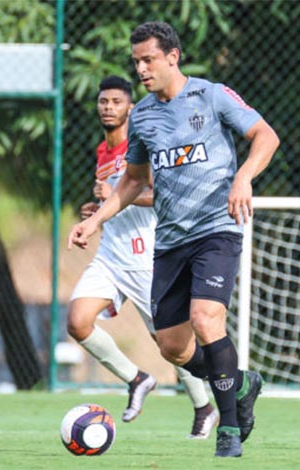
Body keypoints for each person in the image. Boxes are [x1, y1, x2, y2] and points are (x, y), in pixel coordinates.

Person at [68, 22, 280, 458]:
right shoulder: (143, 116)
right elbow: (132, 182)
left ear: (173, 57)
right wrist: (95, 222)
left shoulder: (212, 95)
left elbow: (266, 136)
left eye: (148, 60)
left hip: (216, 230)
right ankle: (241, 383)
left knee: (206, 320)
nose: (141, 69)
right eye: (136, 62)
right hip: (169, 241)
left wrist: (243, 177)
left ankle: (229, 431)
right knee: (174, 349)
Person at [68, 76, 219, 438]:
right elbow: (114, 201)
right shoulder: (103, 152)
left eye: (116, 102)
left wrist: (118, 198)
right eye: (103, 101)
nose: (108, 107)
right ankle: (137, 379)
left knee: (171, 344)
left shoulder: (145, 146)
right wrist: (98, 209)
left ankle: (205, 407)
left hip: (147, 256)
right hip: (111, 255)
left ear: (130, 109)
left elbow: (161, 195)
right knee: (77, 320)